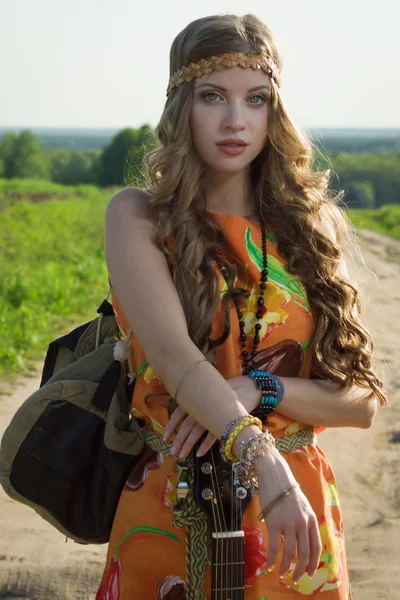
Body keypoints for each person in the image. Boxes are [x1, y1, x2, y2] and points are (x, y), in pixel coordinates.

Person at [97, 13, 387, 600]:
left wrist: (262, 389)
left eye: (255, 99)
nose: (235, 120)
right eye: (213, 97)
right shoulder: (139, 217)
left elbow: (360, 403)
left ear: (273, 112)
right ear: (182, 106)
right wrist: (263, 459)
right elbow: (176, 360)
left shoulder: (312, 227)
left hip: (293, 530)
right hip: (173, 506)